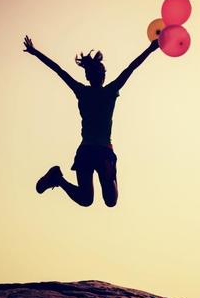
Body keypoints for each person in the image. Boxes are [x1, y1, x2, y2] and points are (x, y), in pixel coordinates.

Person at [22, 35, 159, 207]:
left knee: (86, 199)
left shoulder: (82, 91)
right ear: (102, 76)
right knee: (111, 201)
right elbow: (131, 68)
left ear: (88, 76)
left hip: (87, 151)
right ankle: (105, 173)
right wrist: (150, 49)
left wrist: (35, 52)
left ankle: (59, 179)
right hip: (102, 152)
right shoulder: (110, 90)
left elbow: (58, 70)